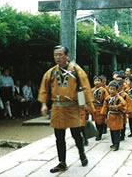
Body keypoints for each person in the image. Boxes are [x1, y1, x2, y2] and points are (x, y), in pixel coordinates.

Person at [38, 45, 94, 173]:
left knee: (76, 135)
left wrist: (87, 103)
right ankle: (62, 162)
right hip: (57, 107)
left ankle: (82, 154)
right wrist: (44, 104)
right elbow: (44, 89)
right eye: (55, 55)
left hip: (72, 107)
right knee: (59, 136)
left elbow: (85, 87)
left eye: (60, 54)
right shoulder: (51, 72)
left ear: (67, 56)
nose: (57, 57)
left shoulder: (76, 70)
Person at [101, 82, 126, 151]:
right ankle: (113, 143)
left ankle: (116, 145)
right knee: (112, 131)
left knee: (116, 132)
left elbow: (123, 105)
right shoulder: (107, 98)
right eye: (110, 89)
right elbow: (105, 107)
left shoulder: (119, 98)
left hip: (117, 116)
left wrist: (117, 107)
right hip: (111, 116)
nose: (112, 91)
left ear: (117, 90)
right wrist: (105, 116)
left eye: (113, 89)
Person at [91, 75, 108, 141]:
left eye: (98, 81)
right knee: (96, 121)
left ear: (101, 82)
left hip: (101, 107)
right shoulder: (92, 90)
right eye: (95, 81)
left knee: (100, 122)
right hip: (94, 108)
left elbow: (106, 99)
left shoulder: (103, 90)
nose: (97, 82)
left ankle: (99, 134)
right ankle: (98, 132)